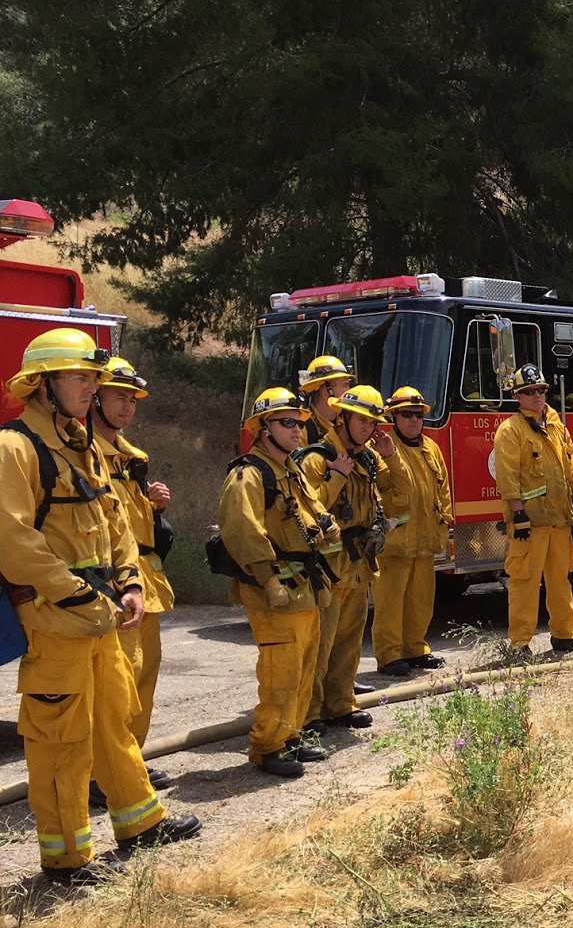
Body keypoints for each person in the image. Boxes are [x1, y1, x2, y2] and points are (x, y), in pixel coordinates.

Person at [0, 328, 201, 883]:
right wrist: (82, 595)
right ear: (44, 385)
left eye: (93, 378)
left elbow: (116, 523)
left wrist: (131, 582)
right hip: (57, 621)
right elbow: (15, 544)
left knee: (114, 723)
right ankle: (66, 859)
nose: (92, 388)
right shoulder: (14, 448)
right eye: (81, 378)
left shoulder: (82, 443)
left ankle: (140, 824)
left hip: (101, 614)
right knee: (60, 743)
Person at [218, 387, 342, 777]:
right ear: (262, 429)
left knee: (304, 670)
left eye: (300, 422)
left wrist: (327, 525)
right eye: (286, 422)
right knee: (280, 675)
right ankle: (268, 746)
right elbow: (243, 531)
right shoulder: (249, 475)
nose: (296, 430)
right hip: (276, 592)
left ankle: (289, 738)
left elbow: (312, 511)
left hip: (305, 589)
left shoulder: (290, 471)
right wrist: (268, 580)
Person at [298, 384, 405, 732]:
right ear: (342, 416)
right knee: (320, 642)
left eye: (372, 422)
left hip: (358, 563)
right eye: (360, 419)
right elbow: (306, 513)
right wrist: (337, 477)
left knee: (348, 641)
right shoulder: (317, 459)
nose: (366, 428)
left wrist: (391, 456)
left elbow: (402, 495)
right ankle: (310, 713)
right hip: (328, 566)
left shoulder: (369, 458)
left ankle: (341, 704)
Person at [87, 358, 175, 755]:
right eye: (118, 398)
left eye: (132, 400)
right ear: (94, 399)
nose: (127, 407)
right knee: (114, 683)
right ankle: (103, 772)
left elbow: (131, 523)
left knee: (144, 676)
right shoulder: (84, 454)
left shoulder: (133, 458)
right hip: (111, 584)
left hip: (144, 583)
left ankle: (130, 762)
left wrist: (154, 508)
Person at [492, 364, 573, 658]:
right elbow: (507, 475)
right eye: (529, 392)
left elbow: (571, 465)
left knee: (561, 579)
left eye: (541, 390)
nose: (537, 396)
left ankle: (564, 634)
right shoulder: (511, 430)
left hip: (558, 520)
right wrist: (518, 513)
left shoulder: (556, 426)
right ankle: (520, 643)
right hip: (530, 523)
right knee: (525, 582)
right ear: (518, 397)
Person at [371, 386, 452, 676]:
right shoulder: (382, 448)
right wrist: (389, 456)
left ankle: (415, 648)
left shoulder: (431, 448)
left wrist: (445, 521)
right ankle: (389, 655)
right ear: (393, 416)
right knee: (391, 602)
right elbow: (379, 488)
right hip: (396, 542)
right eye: (406, 414)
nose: (414, 420)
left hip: (425, 540)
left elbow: (442, 490)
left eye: (418, 415)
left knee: (421, 599)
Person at [297, 355, 355, 444]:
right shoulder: (300, 428)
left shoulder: (347, 422)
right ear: (327, 390)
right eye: (345, 385)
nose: (349, 391)